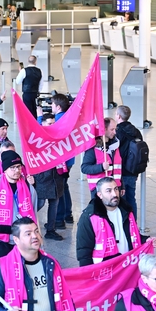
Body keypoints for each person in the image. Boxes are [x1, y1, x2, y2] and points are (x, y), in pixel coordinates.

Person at [77, 176, 156, 311]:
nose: (114, 194)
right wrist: (90, 279)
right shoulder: (89, 217)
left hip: (127, 271)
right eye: (108, 191)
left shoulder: (127, 210)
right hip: (103, 275)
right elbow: (83, 252)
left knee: (129, 309)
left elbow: (131, 237)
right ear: (98, 194)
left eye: (115, 189)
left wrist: (146, 240)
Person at [0, 151, 38, 259]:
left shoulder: (29, 188)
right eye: (13, 167)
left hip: (25, 240)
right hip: (2, 242)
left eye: (19, 166)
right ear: (5, 169)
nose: (17, 170)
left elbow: (34, 213)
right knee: (5, 274)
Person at [32, 113, 66, 240]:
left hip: (56, 178)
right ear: (43, 124)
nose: (52, 126)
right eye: (50, 123)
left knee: (54, 204)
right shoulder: (37, 139)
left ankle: (50, 229)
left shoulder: (57, 138)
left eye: (54, 123)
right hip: (43, 179)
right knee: (38, 204)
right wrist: (37, 176)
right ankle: (28, 224)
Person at [45, 94, 75, 227]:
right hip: (69, 159)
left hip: (61, 162)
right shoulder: (69, 117)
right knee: (65, 187)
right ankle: (68, 214)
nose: (50, 106)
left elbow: (48, 135)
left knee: (59, 189)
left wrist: (41, 118)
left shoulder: (58, 120)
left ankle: (60, 218)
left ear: (57, 106)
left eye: (52, 104)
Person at [81, 117, 121, 199]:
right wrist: (101, 167)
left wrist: (121, 185)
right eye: (112, 129)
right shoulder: (93, 148)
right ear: (104, 129)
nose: (115, 132)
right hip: (98, 189)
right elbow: (84, 168)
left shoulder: (115, 146)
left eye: (115, 129)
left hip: (114, 187)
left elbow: (116, 168)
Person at [115, 105, 143, 219]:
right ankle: (133, 224)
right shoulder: (136, 131)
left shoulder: (117, 132)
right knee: (131, 198)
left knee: (121, 199)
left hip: (121, 170)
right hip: (133, 170)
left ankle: (124, 224)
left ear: (119, 116)